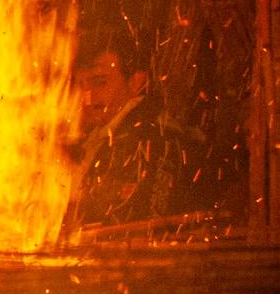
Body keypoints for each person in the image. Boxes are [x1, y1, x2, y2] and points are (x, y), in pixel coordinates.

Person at [71, 23, 208, 230]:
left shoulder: (152, 139)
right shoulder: (98, 135)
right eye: (81, 85)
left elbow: (126, 225)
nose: (87, 97)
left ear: (135, 82)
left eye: (99, 82)